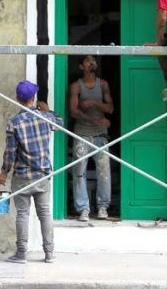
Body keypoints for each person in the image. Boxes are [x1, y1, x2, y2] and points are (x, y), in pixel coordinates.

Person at [0, 80, 62, 264]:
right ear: (34, 98)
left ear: (18, 98)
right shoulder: (44, 118)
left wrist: (4, 172)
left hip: (22, 177)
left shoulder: (14, 123)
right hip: (42, 175)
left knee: (23, 215)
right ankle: (49, 254)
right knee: (45, 213)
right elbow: (60, 124)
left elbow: (10, 153)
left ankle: (21, 254)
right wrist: (47, 110)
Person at [68, 55, 113, 221]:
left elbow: (110, 109)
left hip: (101, 135)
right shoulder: (76, 87)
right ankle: (83, 209)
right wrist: (95, 119)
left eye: (93, 60)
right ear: (81, 66)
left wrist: (94, 103)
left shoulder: (103, 85)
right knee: (79, 172)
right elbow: (73, 111)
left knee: (104, 172)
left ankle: (102, 207)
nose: (92, 62)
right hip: (81, 134)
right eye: (87, 60)